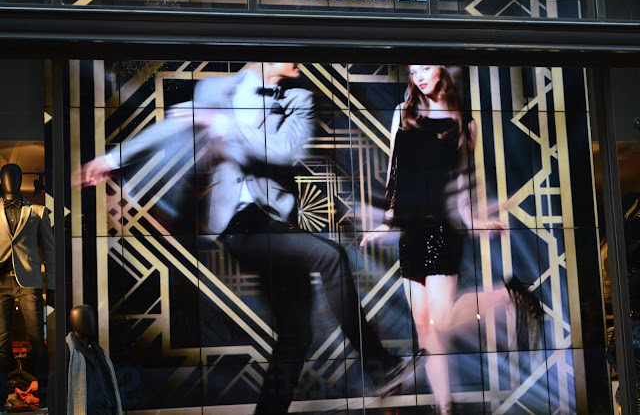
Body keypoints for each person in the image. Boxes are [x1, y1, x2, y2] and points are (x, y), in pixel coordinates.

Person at [77, 63, 418, 414]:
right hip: (237, 223)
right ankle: (381, 366)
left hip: (273, 219)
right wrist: (111, 159)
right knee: (330, 257)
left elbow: (286, 151)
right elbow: (172, 126)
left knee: (295, 335)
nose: (297, 59)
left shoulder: (299, 99)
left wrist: (224, 126)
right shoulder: (215, 89)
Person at [361, 65, 544, 414]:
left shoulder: (464, 123)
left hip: (442, 229)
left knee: (441, 319)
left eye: (426, 68)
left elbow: (461, 185)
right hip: (410, 229)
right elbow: (393, 169)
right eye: (414, 71)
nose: (419, 76)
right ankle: (444, 408)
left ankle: (510, 293)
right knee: (423, 325)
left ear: (442, 69)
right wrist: (386, 222)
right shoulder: (403, 114)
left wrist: (474, 220)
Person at [0, 163, 54, 415]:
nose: (10, 181)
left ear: (21, 180)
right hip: (1, 282)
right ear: (1, 181)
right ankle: (1, 399)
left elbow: (50, 251)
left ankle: (45, 398)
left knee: (37, 342)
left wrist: (51, 285)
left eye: (15, 176)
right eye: (6, 177)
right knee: (1, 344)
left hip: (29, 281)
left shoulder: (38, 211)